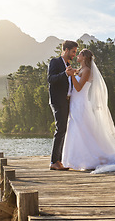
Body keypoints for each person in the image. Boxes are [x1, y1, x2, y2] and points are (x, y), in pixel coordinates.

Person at [62, 49, 115, 174]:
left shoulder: (87, 71)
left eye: (79, 54)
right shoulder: (80, 70)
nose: (77, 56)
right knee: (75, 129)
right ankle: (76, 159)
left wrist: (71, 76)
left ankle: (91, 158)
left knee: (82, 129)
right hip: (75, 103)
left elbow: (79, 88)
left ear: (84, 57)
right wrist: (71, 73)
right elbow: (73, 77)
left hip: (81, 103)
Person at [47, 40, 78, 170]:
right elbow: (51, 79)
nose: (74, 55)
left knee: (64, 130)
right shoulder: (55, 62)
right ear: (65, 50)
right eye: (73, 52)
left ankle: (59, 160)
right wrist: (65, 74)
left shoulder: (68, 64)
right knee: (60, 129)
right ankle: (54, 161)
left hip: (66, 101)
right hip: (58, 101)